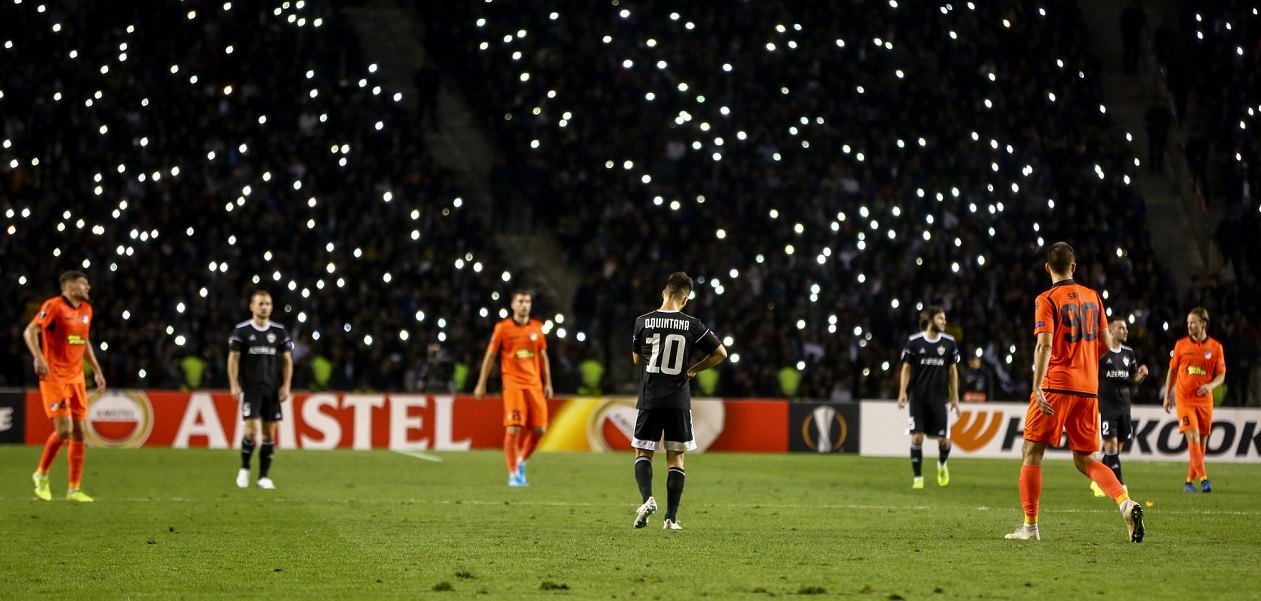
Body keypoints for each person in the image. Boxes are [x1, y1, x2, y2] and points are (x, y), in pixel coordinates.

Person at [1006, 242, 1145, 543]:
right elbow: (1107, 342)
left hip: (1056, 385)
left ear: (1047, 268)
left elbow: (1044, 345)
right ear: (1074, 266)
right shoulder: (1094, 297)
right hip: (1088, 389)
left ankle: (1030, 527)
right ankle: (1125, 502)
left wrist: (1037, 383)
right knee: (1085, 458)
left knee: (1032, 451)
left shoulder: (1046, 299)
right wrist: (1083, 360)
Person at [630, 272, 726, 530]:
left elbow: (637, 359)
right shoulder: (693, 325)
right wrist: (694, 368)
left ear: (664, 292)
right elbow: (720, 353)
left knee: (643, 453)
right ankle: (671, 518)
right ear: (685, 300)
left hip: (650, 398)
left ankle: (647, 498)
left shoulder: (643, 322)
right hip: (678, 400)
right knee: (676, 460)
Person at [25, 271, 106, 502]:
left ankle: (74, 489)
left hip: (77, 378)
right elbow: (30, 330)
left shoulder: (86, 311)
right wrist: (38, 357)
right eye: (83, 283)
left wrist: (97, 371)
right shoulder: (54, 306)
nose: (88, 286)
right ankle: (41, 474)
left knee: (79, 432)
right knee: (64, 431)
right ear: (70, 287)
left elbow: (84, 341)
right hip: (54, 376)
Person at [474, 290, 553, 486]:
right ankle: (513, 474)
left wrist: (548, 382)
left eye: (527, 301)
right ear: (513, 305)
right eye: (521, 301)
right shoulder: (502, 328)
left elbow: (542, 356)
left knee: (540, 429)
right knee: (514, 427)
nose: (525, 305)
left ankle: (521, 462)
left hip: (534, 384)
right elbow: (490, 356)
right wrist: (481, 383)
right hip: (513, 383)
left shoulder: (537, 328)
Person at [227, 291, 294, 490]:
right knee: (251, 431)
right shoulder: (242, 331)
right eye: (261, 303)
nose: (264, 307)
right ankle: (245, 467)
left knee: (268, 434)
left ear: (271, 307)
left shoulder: (280, 331)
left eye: (268, 303)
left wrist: (286, 384)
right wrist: (233, 383)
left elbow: (287, 361)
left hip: (272, 390)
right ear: (252, 306)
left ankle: (263, 477)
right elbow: (233, 359)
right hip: (251, 389)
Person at [1163, 307, 1225, 493]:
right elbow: (1172, 371)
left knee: (1202, 442)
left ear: (1203, 324)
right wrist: (1167, 395)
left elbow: (1221, 375)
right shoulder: (1181, 345)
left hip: (1205, 400)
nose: (1189, 325)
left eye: (1193, 322)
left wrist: (1211, 386)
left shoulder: (1215, 347)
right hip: (1184, 399)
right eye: (1188, 322)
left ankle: (1189, 483)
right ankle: (1204, 480)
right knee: (1193, 436)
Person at [896, 306, 960, 489]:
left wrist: (955, 397)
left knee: (944, 440)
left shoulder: (949, 343)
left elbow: (952, 371)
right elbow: (906, 368)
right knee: (917, 437)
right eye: (941, 318)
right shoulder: (914, 342)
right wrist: (902, 392)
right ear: (931, 320)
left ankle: (942, 465)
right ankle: (918, 478)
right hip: (918, 399)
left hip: (939, 399)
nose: (944, 322)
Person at [1090, 319, 1148, 497]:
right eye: (1121, 328)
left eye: (1126, 328)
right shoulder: (1102, 353)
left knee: (1117, 449)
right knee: (1111, 445)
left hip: (1124, 407)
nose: (1126, 331)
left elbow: (1131, 381)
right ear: (1111, 331)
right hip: (1107, 407)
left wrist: (1141, 376)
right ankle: (1120, 486)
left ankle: (1097, 481)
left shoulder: (1128, 353)